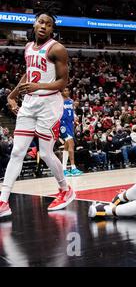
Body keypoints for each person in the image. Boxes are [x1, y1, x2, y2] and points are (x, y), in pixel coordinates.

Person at [0, 11, 76, 217]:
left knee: (45, 152)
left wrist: (38, 86)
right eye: (41, 22)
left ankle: (65, 189)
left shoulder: (57, 49)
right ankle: (3, 201)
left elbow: (63, 81)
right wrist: (12, 95)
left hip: (49, 104)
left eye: (49, 24)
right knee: (17, 152)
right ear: (34, 24)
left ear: (52, 29)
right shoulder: (27, 47)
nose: (44, 26)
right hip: (30, 103)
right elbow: (28, 73)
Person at [60, 87, 83, 177]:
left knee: (66, 146)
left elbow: (72, 112)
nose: (66, 92)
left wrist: (75, 117)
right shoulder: (59, 101)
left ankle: (64, 169)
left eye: (67, 90)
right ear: (61, 92)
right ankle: (73, 168)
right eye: (64, 90)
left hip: (70, 124)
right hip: (63, 124)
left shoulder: (70, 101)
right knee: (71, 144)